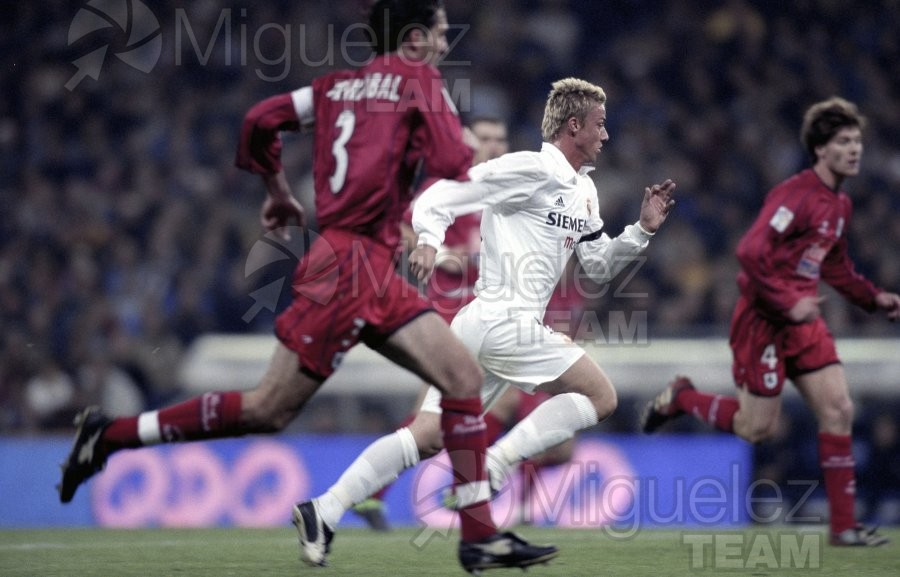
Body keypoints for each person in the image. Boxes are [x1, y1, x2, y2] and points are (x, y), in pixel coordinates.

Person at [57, 1, 555, 572]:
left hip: (351, 260)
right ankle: (110, 434)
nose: (445, 44)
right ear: (415, 39)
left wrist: (277, 191)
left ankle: (478, 537)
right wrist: (460, 144)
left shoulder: (332, 89)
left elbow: (257, 123)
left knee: (460, 377)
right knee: (266, 410)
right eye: (440, 34)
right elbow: (449, 158)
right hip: (351, 269)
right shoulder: (419, 77)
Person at [296, 77, 675, 568]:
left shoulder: (583, 191)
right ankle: (495, 465)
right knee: (600, 397)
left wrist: (641, 232)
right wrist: (430, 239)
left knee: (427, 434)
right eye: (600, 125)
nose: (607, 135)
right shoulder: (530, 167)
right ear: (574, 125)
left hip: (480, 328)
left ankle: (323, 509)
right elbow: (442, 198)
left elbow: (599, 264)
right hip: (503, 321)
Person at [640, 96, 900, 547]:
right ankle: (683, 397)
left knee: (839, 409)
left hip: (803, 321)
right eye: (844, 141)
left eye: (858, 141)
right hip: (764, 318)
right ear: (820, 148)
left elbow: (834, 266)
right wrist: (787, 300)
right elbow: (749, 252)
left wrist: (873, 298)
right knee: (756, 428)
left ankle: (843, 528)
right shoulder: (793, 196)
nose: (855, 150)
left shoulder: (839, 207)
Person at [353, 117, 576, 531]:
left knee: (439, 421)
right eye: (485, 138)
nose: (493, 145)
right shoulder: (453, 188)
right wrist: (439, 252)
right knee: (475, 411)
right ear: (469, 144)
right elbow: (404, 225)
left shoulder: (514, 190)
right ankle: (466, 488)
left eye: (500, 138)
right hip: (450, 319)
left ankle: (377, 492)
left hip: (501, 322)